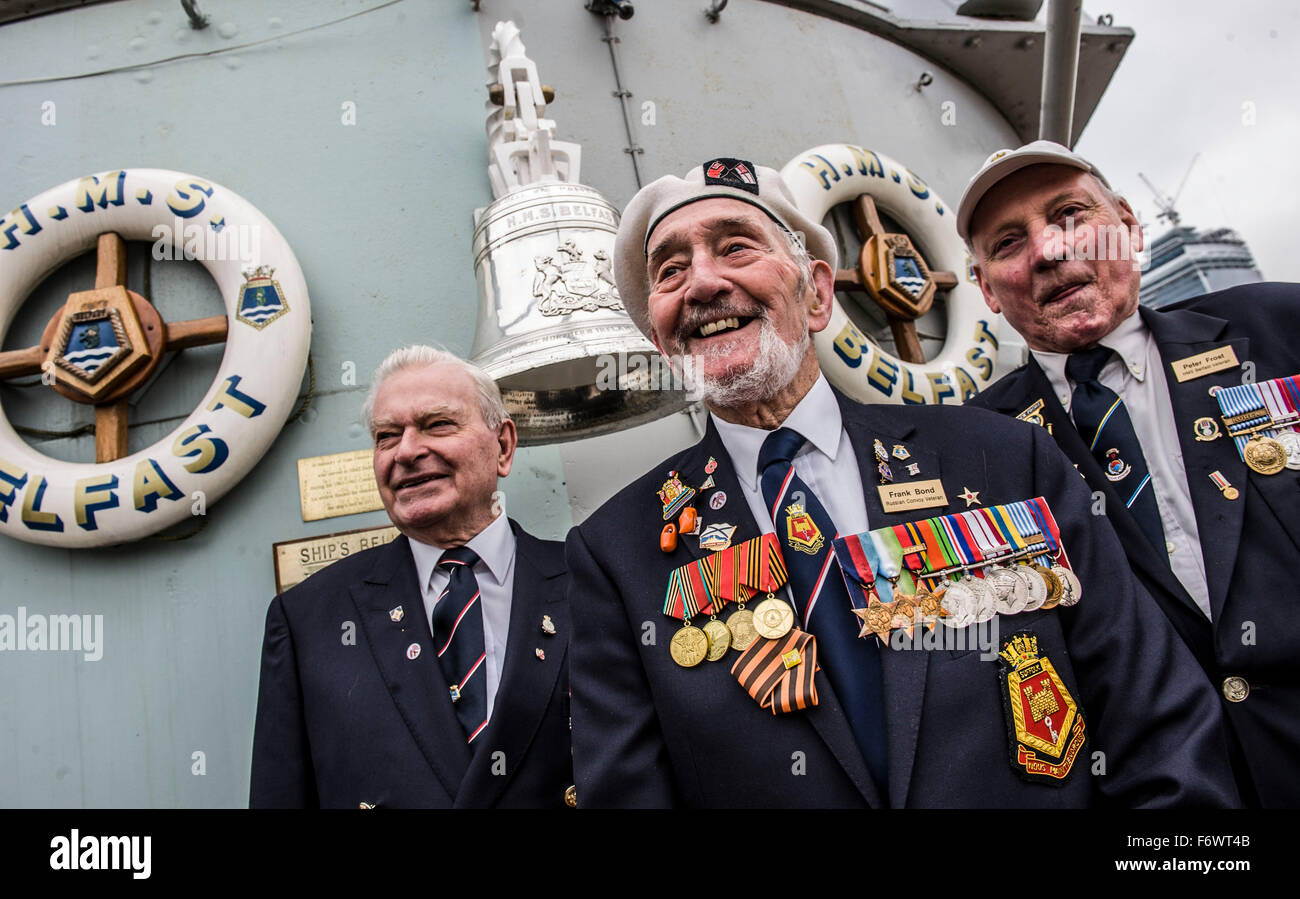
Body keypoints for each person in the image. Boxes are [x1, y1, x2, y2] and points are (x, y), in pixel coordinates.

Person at [565, 156, 1240, 808]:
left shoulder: (1003, 458)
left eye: (737, 248)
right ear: (660, 339)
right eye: (671, 271)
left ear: (819, 293)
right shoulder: (616, 555)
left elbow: (1157, 725)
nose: (703, 284)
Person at [960, 140, 1300, 807]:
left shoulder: (1281, 328)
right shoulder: (974, 451)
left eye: (1069, 215)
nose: (1049, 251)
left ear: (1130, 225)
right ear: (986, 290)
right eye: (1007, 243)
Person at [250, 346, 573, 808]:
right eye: (386, 435)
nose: (406, 451)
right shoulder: (308, 620)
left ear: (502, 446)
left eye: (437, 424)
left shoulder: (589, 582)